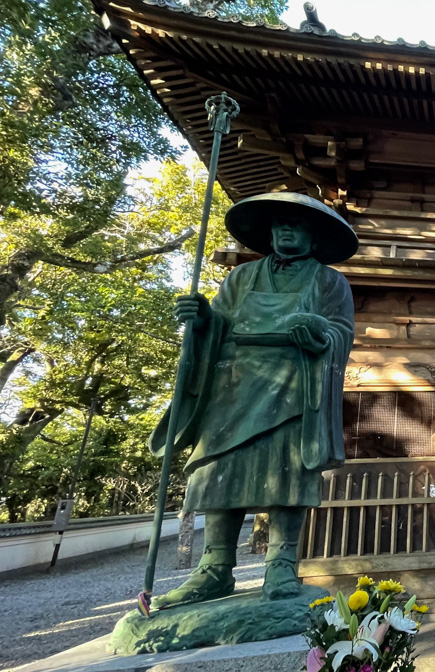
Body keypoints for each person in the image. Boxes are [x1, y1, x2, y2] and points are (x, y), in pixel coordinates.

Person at [150, 192, 357, 608]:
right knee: (219, 469)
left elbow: (341, 331)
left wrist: (318, 330)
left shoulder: (329, 281)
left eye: (296, 225)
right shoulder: (240, 279)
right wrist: (202, 320)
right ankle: (214, 565)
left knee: (288, 470)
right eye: (280, 223)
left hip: (295, 384)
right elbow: (219, 326)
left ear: (313, 238)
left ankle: (281, 562)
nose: (286, 229)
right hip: (235, 383)